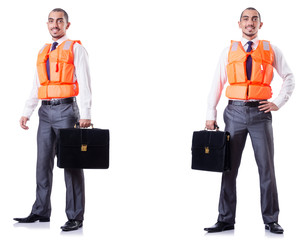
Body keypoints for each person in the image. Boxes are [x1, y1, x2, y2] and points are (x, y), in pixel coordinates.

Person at [203, 7, 295, 234]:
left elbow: (290, 77)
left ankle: (271, 219)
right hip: (233, 113)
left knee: (267, 169)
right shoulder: (228, 51)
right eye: (246, 19)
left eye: (254, 19)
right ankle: (225, 219)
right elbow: (217, 82)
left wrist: (278, 102)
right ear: (239, 23)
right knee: (228, 168)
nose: (250, 22)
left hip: (260, 115)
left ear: (260, 25)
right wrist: (210, 115)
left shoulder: (271, 50)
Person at [14, 8, 92, 232]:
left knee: (72, 164)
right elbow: (37, 84)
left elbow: (85, 82)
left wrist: (86, 114)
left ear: (67, 25)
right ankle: (40, 210)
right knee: (42, 163)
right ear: (47, 24)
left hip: (68, 111)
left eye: (59, 21)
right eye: (51, 21)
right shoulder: (43, 51)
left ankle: (75, 216)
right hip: (45, 113)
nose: (54, 25)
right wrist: (27, 111)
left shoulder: (76, 48)